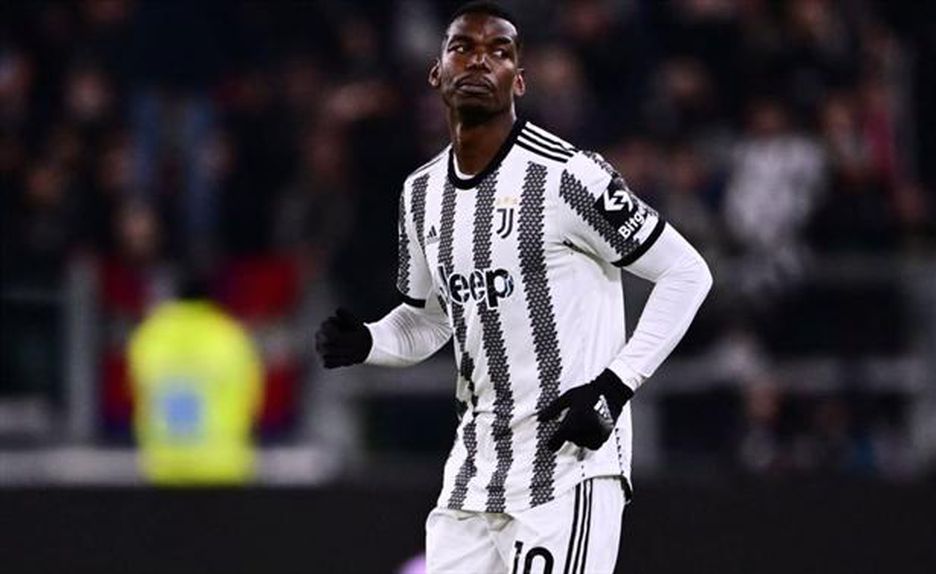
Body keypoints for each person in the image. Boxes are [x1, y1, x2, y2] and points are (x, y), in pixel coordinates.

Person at [315, 2, 712, 571]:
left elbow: (687, 272)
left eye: (499, 52)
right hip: (475, 472)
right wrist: (369, 341)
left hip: (568, 466)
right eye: (463, 48)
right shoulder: (421, 194)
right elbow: (430, 320)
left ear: (518, 81)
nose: (480, 61)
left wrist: (616, 385)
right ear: (437, 73)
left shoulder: (569, 176)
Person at [128, 275, 264, 485]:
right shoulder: (230, 336)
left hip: (163, 467)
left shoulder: (150, 335)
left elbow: (136, 393)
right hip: (223, 469)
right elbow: (253, 400)